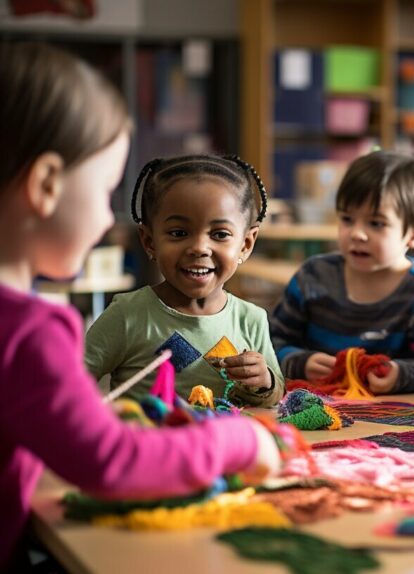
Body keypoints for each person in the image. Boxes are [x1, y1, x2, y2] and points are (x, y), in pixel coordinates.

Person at [0, 43, 280, 570]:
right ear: (45, 186)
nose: (110, 219)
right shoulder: (27, 332)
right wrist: (236, 442)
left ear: (246, 243)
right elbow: (111, 461)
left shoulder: (249, 318)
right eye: (106, 191)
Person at [85, 154, 284, 406]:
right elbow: (70, 380)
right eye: (179, 233)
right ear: (149, 241)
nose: (200, 248)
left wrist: (264, 381)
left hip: (229, 444)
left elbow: (275, 396)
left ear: (245, 245)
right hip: (151, 444)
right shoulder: (127, 314)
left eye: (220, 234)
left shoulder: (251, 319)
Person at [270, 150, 414, 393]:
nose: (357, 233)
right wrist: (300, 362)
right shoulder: (312, 277)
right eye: (347, 219)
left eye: (376, 223)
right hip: (311, 408)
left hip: (388, 418)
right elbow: (270, 343)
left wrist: (399, 374)